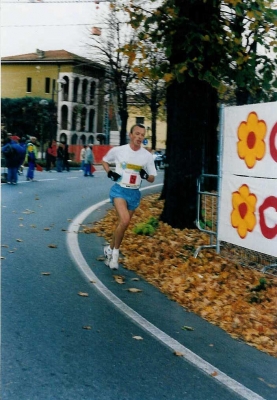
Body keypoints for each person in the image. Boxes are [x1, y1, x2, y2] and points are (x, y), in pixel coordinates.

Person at [101, 123, 157, 270]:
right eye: (137, 133)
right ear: (130, 135)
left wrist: (146, 176)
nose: (139, 137)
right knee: (125, 220)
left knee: (123, 225)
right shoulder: (119, 150)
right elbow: (105, 160)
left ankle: (109, 248)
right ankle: (115, 256)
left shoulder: (146, 156)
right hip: (119, 190)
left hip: (134, 193)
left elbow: (152, 178)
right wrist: (109, 172)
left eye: (142, 135)